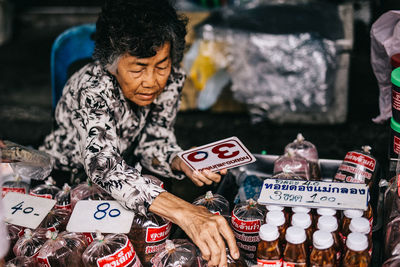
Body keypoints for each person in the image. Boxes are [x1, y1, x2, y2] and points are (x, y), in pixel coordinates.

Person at [39, 0, 239, 266]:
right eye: (137, 68)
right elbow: (103, 167)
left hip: (127, 179)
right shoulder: (92, 88)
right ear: (111, 63)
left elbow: (154, 141)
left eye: (161, 65)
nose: (152, 81)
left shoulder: (169, 81)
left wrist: (178, 160)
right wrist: (185, 212)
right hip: (66, 182)